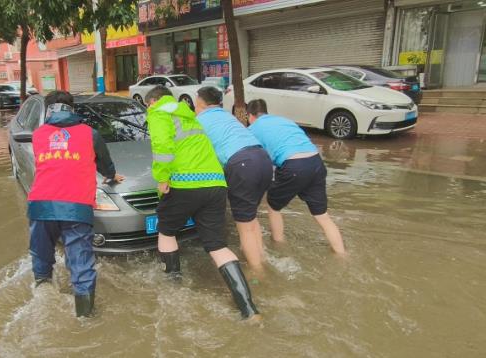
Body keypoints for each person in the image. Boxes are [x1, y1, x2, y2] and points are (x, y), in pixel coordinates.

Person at [145, 85, 260, 320]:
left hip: (184, 184)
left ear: (152, 101)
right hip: (216, 184)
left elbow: (163, 148)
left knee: (166, 232)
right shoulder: (190, 115)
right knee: (216, 245)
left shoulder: (158, 112)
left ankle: (173, 292)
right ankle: (249, 310)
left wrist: (162, 178)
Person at [27, 91, 125, 317]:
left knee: (41, 258)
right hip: (76, 207)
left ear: (48, 109)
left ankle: (42, 306)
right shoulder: (91, 134)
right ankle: (85, 319)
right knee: (81, 264)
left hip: (40, 205)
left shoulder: (38, 134)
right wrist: (111, 176)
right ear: (72, 108)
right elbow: (105, 164)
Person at [246, 99, 346, 254]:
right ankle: (342, 254)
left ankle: (279, 245)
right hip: (316, 162)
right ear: (266, 112)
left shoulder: (252, 129)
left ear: (250, 115)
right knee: (322, 215)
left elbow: (254, 158)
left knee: (273, 206)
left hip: (293, 165)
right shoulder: (285, 121)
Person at [194, 86, 273, 273]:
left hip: (242, 164)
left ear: (200, 103)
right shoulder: (227, 117)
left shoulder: (199, 120)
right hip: (263, 159)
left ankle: (258, 274)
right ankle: (261, 258)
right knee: (251, 218)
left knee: (243, 227)